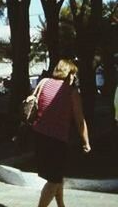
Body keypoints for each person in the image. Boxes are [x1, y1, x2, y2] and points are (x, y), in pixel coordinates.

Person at [31, 58, 90, 207]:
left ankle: (61, 204)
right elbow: (79, 120)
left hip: (39, 136)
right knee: (54, 179)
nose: (74, 77)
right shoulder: (71, 92)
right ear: (68, 73)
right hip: (56, 140)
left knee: (57, 175)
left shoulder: (43, 82)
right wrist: (86, 142)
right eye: (73, 74)